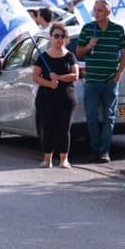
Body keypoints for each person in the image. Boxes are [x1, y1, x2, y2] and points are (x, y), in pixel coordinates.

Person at [75, 0, 125, 163]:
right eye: (95, 10)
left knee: (109, 117)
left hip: (110, 81)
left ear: (108, 12)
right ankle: (95, 148)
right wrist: (89, 46)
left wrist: (120, 72)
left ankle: (105, 150)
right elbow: (79, 53)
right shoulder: (88, 29)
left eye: (100, 10)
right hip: (92, 80)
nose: (96, 13)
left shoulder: (118, 30)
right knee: (91, 116)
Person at [33, 22, 79, 168]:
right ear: (51, 37)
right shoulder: (43, 57)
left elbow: (75, 75)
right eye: (56, 36)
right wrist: (49, 83)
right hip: (46, 98)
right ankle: (47, 159)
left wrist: (59, 78)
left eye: (62, 36)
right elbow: (35, 76)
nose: (59, 39)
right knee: (48, 126)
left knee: (64, 128)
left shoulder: (70, 56)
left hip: (66, 98)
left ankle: (64, 159)